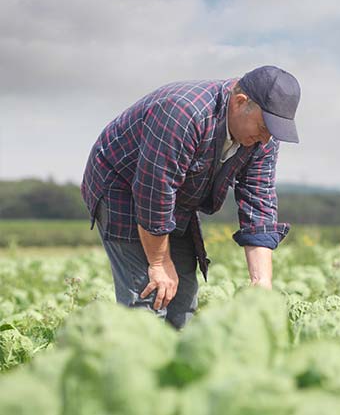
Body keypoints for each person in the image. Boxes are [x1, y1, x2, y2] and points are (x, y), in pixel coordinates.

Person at [81, 65, 301, 329]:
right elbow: (155, 191)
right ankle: (136, 361)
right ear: (240, 103)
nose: (266, 139)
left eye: (274, 131)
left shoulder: (263, 137)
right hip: (123, 186)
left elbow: (259, 199)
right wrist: (159, 262)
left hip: (178, 196)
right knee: (150, 297)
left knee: (182, 298)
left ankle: (175, 362)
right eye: (264, 126)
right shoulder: (184, 114)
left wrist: (261, 282)